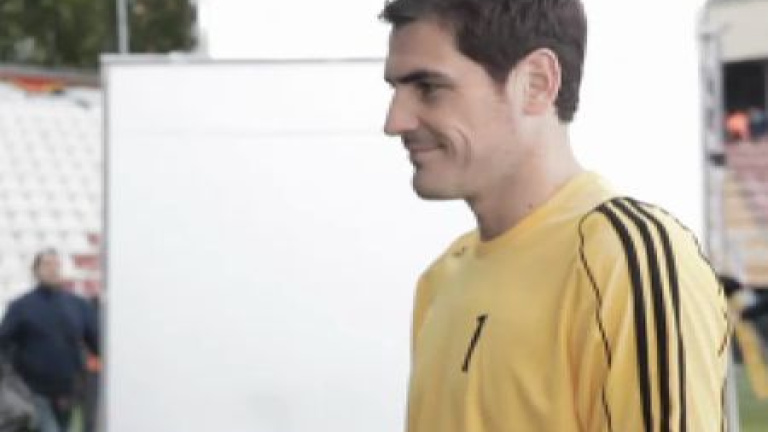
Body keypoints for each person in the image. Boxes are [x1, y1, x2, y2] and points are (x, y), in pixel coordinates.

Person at [379, 0, 730, 431]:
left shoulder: (624, 259)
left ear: (537, 83)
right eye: (395, 90)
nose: (395, 121)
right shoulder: (441, 281)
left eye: (428, 87)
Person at [0, 249, 100, 432]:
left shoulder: (79, 306)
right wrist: (9, 380)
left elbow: (97, 343)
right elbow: (3, 343)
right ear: (36, 270)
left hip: (68, 392)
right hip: (33, 392)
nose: (52, 269)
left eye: (56, 264)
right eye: (47, 264)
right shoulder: (20, 307)